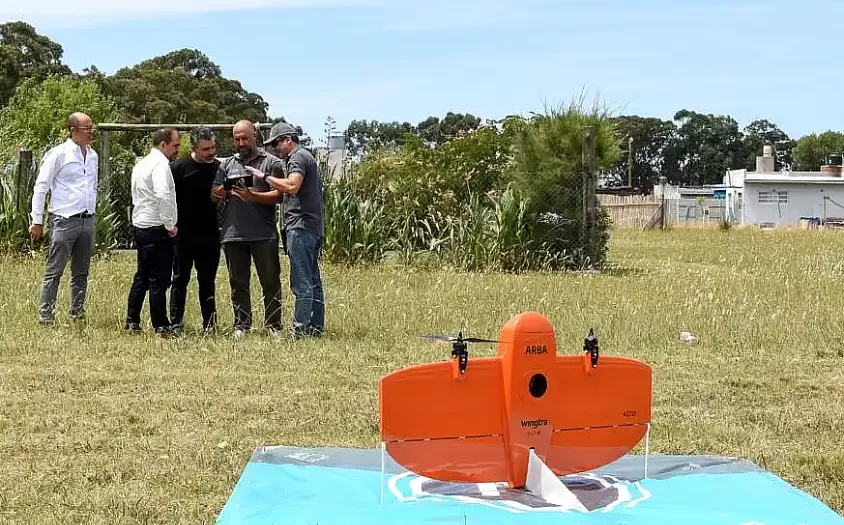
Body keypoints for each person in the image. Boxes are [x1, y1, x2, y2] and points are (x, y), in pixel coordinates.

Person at [248, 121, 325, 338]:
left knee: (301, 283)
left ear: (288, 140)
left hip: (301, 227)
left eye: (276, 144)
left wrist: (264, 177)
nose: (274, 150)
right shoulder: (305, 156)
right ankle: (315, 328)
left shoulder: (298, 158)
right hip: (312, 227)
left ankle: (299, 331)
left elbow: (292, 186)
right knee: (312, 281)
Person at [211, 120, 285, 338]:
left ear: (255, 136)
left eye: (245, 138)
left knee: (270, 280)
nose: (241, 143)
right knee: (238, 282)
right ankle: (242, 325)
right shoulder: (227, 164)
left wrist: (254, 196)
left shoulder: (271, 163)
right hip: (233, 233)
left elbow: (280, 195)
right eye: (237, 139)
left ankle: (274, 325)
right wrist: (225, 188)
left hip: (263, 233)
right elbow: (214, 195)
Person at [29, 112, 98, 325]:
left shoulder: (93, 155)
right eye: (86, 128)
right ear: (73, 130)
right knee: (54, 271)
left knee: (81, 272)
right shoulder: (58, 154)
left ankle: (77, 314)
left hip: (88, 219)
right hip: (64, 219)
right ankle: (45, 316)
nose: (90, 132)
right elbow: (41, 187)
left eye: (91, 127)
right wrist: (37, 219)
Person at [125, 127, 180, 337]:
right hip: (157, 227)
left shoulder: (141, 164)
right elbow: (163, 195)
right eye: (175, 145)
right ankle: (161, 325)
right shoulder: (160, 165)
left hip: (141, 225)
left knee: (143, 275)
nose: (177, 150)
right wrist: (170, 224)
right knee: (159, 278)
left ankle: (132, 320)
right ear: (163, 144)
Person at [168, 126, 221, 334]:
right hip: (183, 235)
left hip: (210, 234)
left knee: (207, 280)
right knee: (180, 279)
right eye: (206, 149)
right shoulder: (178, 169)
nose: (211, 152)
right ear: (194, 148)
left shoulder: (218, 168)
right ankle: (176, 323)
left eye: (213, 147)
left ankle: (210, 324)